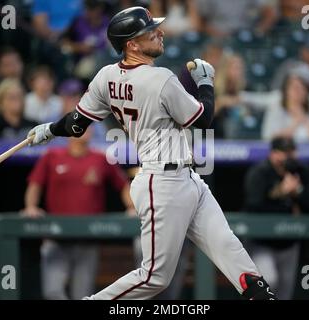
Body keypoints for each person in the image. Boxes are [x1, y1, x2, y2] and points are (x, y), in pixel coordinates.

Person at [26, 6, 276, 300]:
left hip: (186, 179)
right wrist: (206, 83)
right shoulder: (160, 79)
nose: (159, 33)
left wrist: (51, 129)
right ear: (131, 44)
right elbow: (203, 119)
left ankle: (260, 294)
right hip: (162, 183)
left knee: (229, 248)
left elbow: (77, 124)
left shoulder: (107, 76)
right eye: (150, 32)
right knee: (155, 277)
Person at [22, 128, 133, 300]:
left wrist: (132, 207)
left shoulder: (100, 158)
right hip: (56, 237)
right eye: (82, 126)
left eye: (89, 127)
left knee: (83, 294)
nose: (87, 129)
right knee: (52, 291)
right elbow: (35, 184)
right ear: (69, 132)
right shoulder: (52, 155)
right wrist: (31, 206)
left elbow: (123, 185)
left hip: (87, 238)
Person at [243, 136, 309, 299]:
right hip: (261, 241)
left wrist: (297, 191)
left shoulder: (302, 171)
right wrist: (281, 191)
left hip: (289, 243)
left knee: (285, 291)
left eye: (290, 152)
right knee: (268, 282)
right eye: (282, 153)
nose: (287, 157)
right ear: (273, 154)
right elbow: (253, 206)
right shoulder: (260, 172)